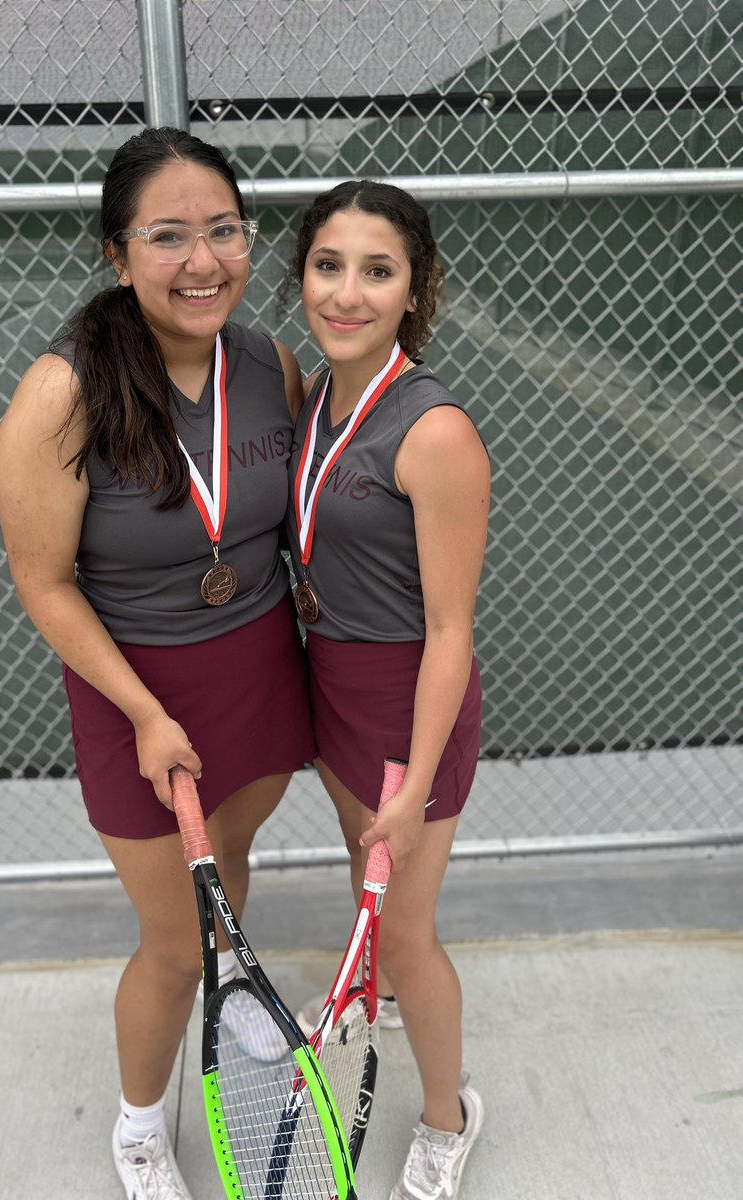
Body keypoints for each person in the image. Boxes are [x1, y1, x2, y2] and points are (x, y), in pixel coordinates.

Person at [0, 127, 315, 1200]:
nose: (202, 261)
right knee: (173, 941)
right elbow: (45, 581)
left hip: (260, 676)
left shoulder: (268, 363)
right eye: (168, 236)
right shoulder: (63, 392)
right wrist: (141, 710)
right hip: (140, 701)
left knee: (230, 864)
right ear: (118, 253)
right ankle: (139, 1125)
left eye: (223, 230)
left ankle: (235, 1002)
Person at [283, 181, 490, 1200]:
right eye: (329, 265)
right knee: (362, 872)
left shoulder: (434, 429)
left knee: (408, 926)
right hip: (333, 687)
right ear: (302, 277)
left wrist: (410, 793)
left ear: (416, 290)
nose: (348, 292)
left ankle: (451, 1117)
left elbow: (453, 627)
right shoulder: (309, 395)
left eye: (378, 270)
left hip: (412, 702)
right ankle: (382, 990)